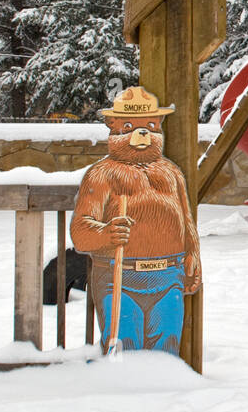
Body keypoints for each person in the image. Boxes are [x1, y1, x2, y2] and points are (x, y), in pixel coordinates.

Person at [71, 87, 201, 355]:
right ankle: (123, 393)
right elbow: (80, 230)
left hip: (168, 276)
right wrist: (106, 233)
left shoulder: (171, 172)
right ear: (113, 128)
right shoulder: (102, 174)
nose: (141, 134)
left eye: (150, 126)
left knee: (167, 346)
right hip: (120, 276)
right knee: (123, 344)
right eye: (128, 126)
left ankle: (167, 396)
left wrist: (193, 255)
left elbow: (185, 219)